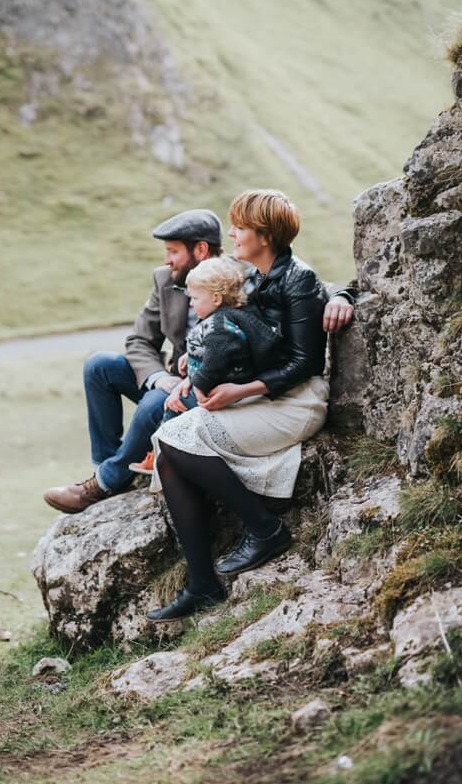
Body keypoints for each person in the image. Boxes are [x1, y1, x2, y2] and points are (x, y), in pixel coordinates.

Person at [43, 209, 354, 514]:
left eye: (173, 251)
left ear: (201, 249)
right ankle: (107, 467)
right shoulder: (166, 278)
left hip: (214, 383)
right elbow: (139, 340)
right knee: (100, 366)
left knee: (156, 403)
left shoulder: (241, 272)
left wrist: (342, 295)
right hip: (175, 378)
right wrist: (157, 378)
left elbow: (311, 285)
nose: (167, 260)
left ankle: (103, 484)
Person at [145, 189, 335, 622]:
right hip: (261, 395)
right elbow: (237, 337)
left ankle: (265, 528)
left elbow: (303, 363)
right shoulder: (249, 275)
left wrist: (239, 391)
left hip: (296, 402)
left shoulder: (298, 278)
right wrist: (192, 377)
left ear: (264, 235)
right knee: (167, 444)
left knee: (174, 443)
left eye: (240, 227)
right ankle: (202, 584)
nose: (230, 233)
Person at [129, 256, 281, 478]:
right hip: (232, 381)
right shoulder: (235, 314)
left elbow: (215, 360)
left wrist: (197, 386)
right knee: (177, 400)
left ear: (216, 297)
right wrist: (190, 356)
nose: (191, 304)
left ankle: (159, 455)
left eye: (195, 298)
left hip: (226, 390)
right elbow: (213, 350)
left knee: (174, 404)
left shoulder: (218, 324)